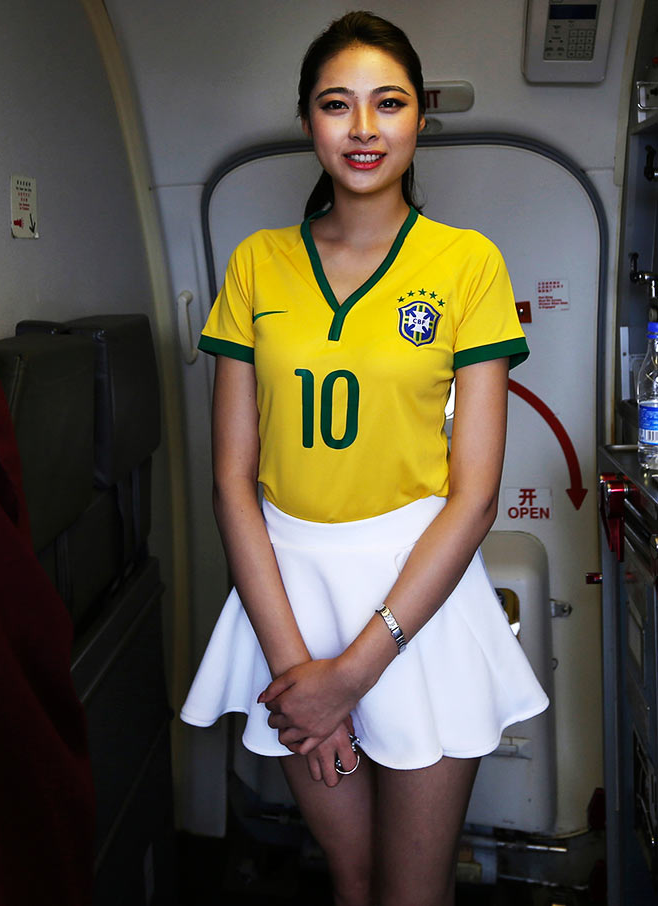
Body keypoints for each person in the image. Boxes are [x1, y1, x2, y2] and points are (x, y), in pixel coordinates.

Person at [181, 11, 549, 906]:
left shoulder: (467, 265)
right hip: (290, 602)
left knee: (412, 892)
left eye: (386, 104)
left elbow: (475, 495)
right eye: (336, 105)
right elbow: (233, 480)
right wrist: (295, 668)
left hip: (417, 604)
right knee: (350, 881)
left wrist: (352, 674)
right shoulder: (258, 265)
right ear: (308, 119)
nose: (362, 128)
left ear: (418, 116)